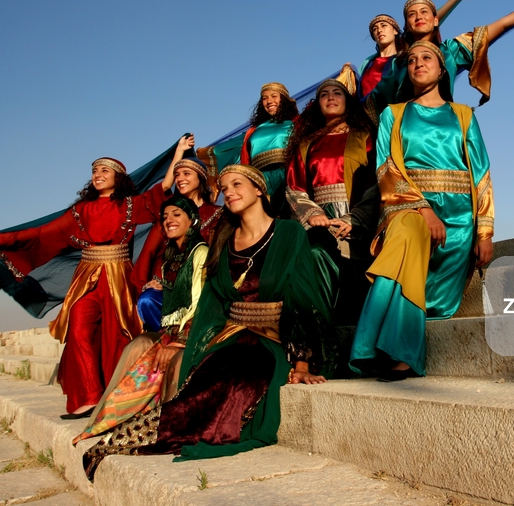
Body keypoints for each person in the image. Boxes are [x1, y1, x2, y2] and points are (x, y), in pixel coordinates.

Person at [81, 164, 335, 478]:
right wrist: (197, 345)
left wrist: (301, 364)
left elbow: (301, 299)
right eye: (224, 187)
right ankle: (127, 437)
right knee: (199, 383)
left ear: (259, 189)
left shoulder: (288, 232)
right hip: (230, 336)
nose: (229, 192)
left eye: (237, 184)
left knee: (235, 383)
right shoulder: (224, 239)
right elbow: (213, 302)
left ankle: (140, 437)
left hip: (271, 338)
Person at [0, 155, 173, 416]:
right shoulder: (80, 211)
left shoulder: (130, 205)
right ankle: (90, 396)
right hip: (87, 278)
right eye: (94, 171)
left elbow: (163, 189)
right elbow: (42, 232)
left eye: (104, 170)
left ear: (118, 177)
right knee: (78, 329)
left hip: (118, 279)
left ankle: (119, 397)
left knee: (117, 335)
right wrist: (2, 239)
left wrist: (179, 151)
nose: (97, 174)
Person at [349, 41, 494, 381]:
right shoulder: (393, 114)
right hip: (406, 205)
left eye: (426, 58)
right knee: (405, 235)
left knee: (433, 296)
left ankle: (375, 339)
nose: (418, 63)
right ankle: (397, 354)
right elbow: (386, 167)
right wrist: (423, 209)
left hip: (459, 222)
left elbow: (482, 175)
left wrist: (484, 233)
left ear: (443, 70)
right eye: (411, 59)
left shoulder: (464, 115)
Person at [74, 196, 209, 444]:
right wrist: (166, 337)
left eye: (177, 214)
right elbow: (170, 310)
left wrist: (177, 342)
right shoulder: (171, 259)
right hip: (174, 331)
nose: (169, 220)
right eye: (165, 216)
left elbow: (202, 304)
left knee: (172, 358)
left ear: (193, 220)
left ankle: (167, 426)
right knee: (137, 345)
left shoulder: (200, 253)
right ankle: (109, 418)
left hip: (200, 331)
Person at [365, 0, 514, 114]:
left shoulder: (452, 50)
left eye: (424, 12)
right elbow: (373, 103)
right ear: (406, 25)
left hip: (444, 124)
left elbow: (502, 24)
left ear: (435, 20)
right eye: (411, 14)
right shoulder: (398, 63)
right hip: (403, 129)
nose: (418, 16)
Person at [285, 78, 379, 324]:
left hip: (356, 224)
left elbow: (376, 182)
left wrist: (355, 219)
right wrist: (313, 216)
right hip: (319, 224)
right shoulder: (306, 143)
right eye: (324, 94)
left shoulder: (365, 137)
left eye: (337, 92)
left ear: (348, 101)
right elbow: (294, 188)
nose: (330, 97)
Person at [132, 146, 223, 332]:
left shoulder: (218, 215)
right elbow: (148, 254)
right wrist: (152, 283)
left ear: (201, 178)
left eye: (186, 173)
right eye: (177, 175)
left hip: (204, 286)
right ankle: (164, 342)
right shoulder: (167, 218)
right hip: (170, 286)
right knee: (147, 300)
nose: (180, 179)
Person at [358, 0, 478, 102]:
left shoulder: (406, 55)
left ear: (395, 30)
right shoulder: (368, 63)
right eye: (374, 29)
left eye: (384, 25)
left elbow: (426, 23)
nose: (379, 30)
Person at [196, 83, 298, 209]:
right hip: (260, 180)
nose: (269, 101)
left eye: (274, 96)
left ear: (284, 99)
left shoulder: (297, 123)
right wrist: (203, 154)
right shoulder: (254, 130)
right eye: (265, 98)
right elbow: (228, 147)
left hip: (288, 177)